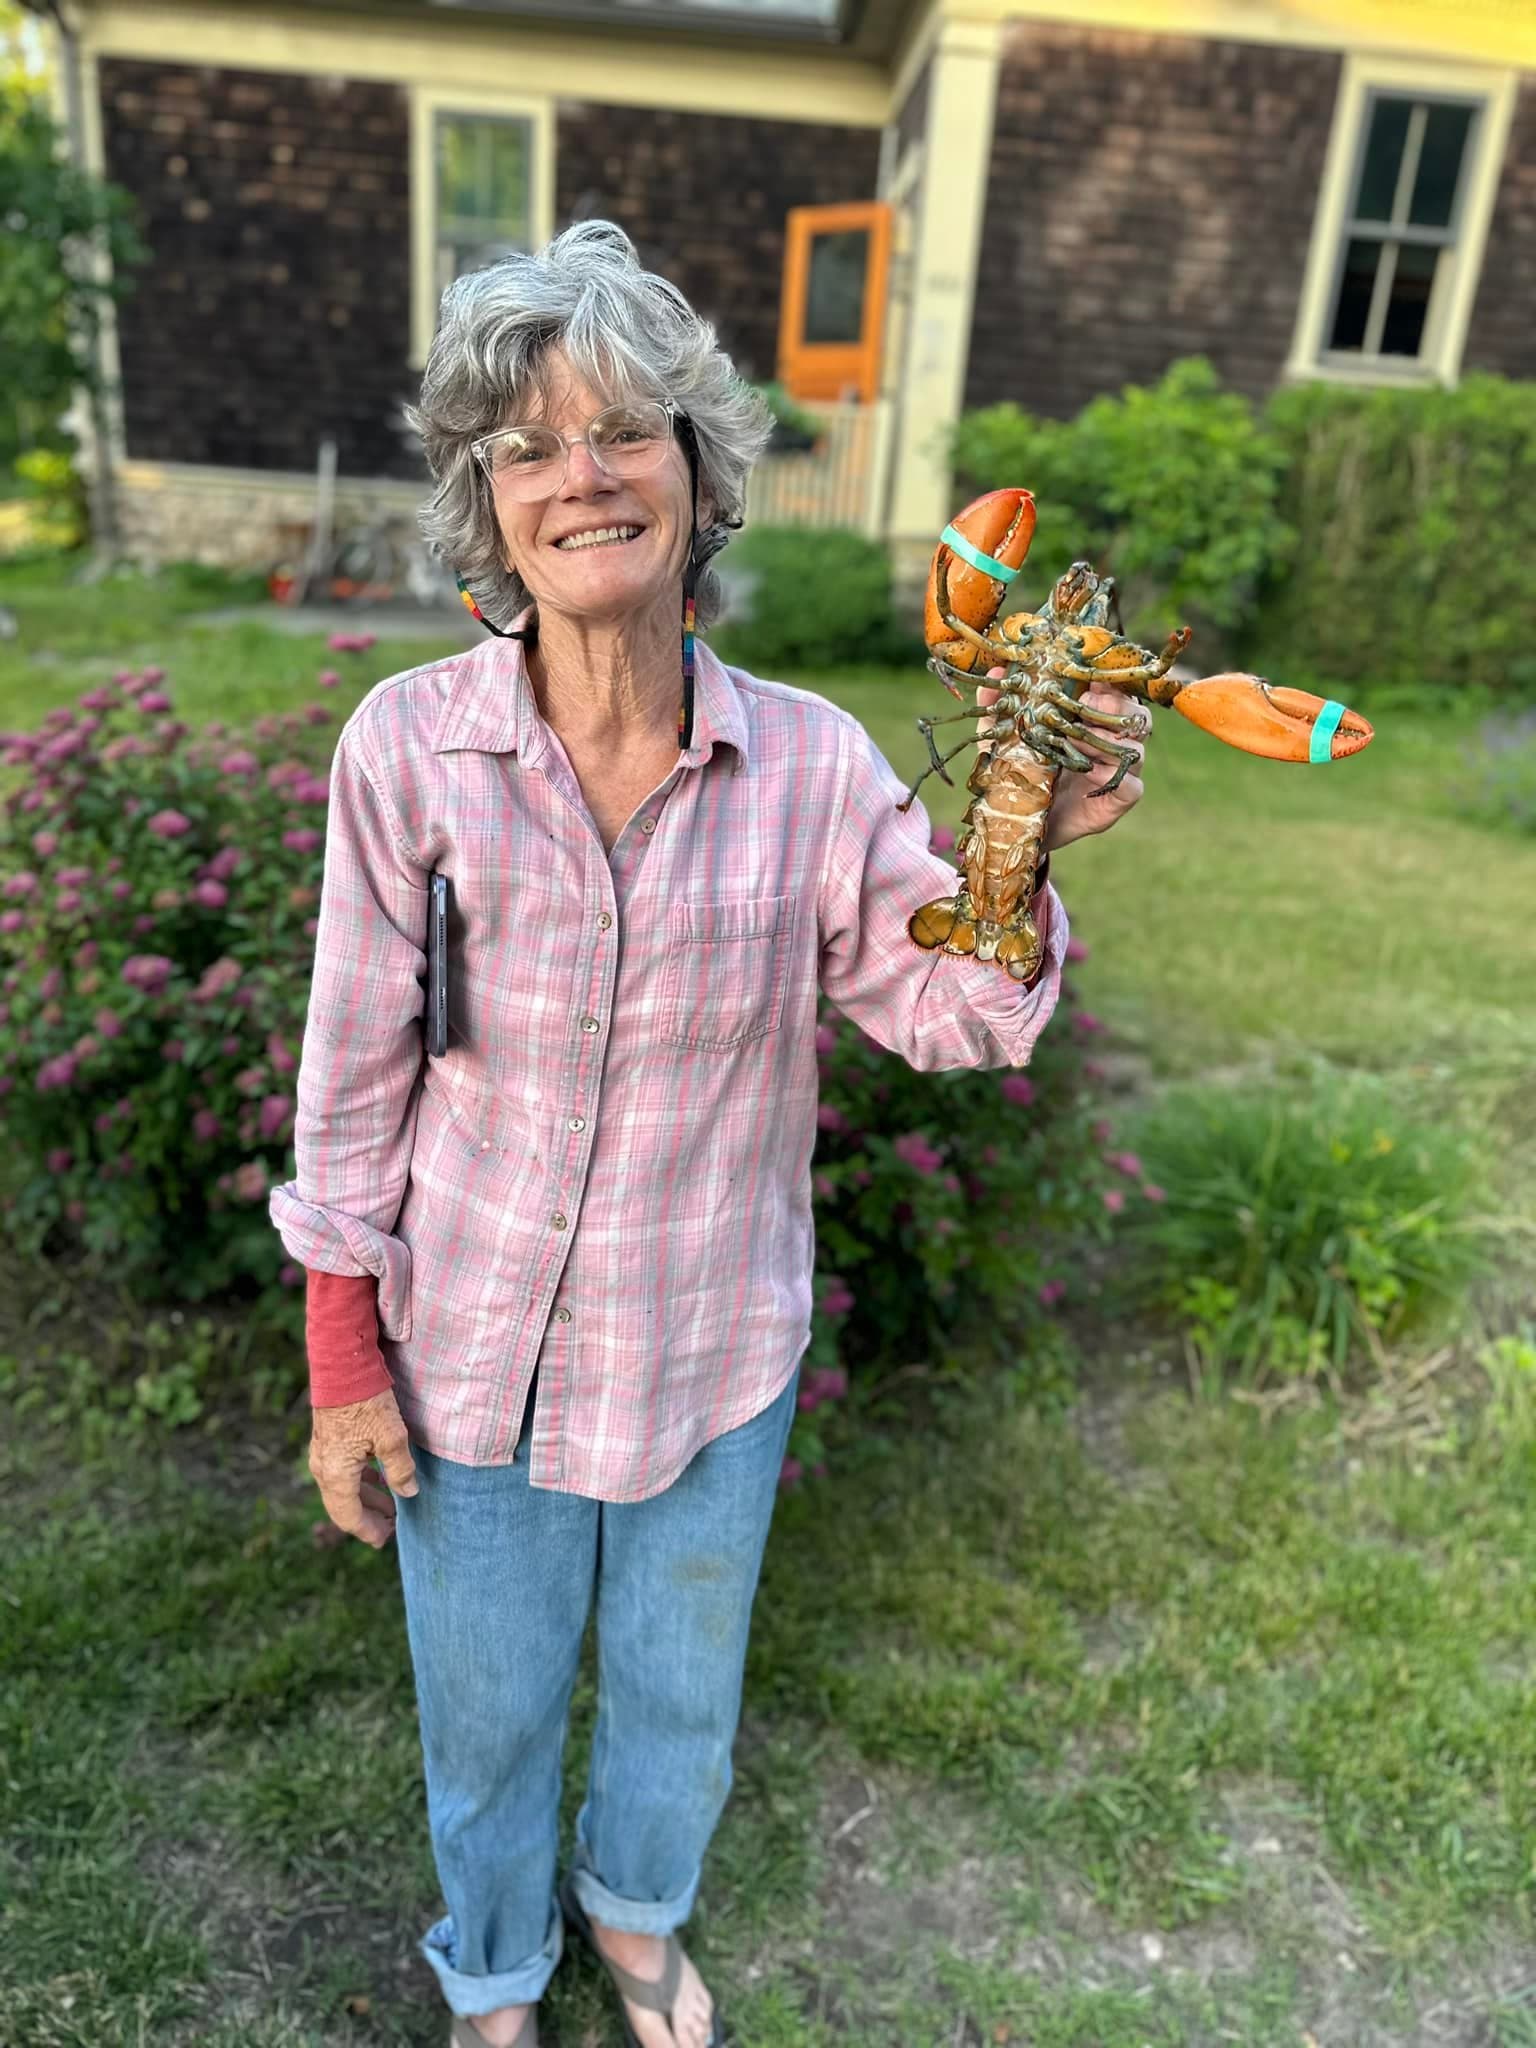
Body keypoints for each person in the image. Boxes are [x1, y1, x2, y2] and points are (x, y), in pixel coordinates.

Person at [269, 220, 1147, 2048]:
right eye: (526, 448)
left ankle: (638, 1912)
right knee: (487, 1709)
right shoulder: (405, 750)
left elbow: (960, 1016)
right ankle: (498, 1968)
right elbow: (355, 1065)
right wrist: (342, 1349)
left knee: (680, 1695)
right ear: (486, 505)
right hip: (474, 1360)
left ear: (698, 472)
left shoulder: (818, 764)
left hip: (711, 1354)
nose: (579, 474)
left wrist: (1020, 851)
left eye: (624, 432)